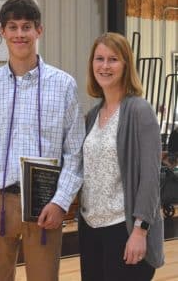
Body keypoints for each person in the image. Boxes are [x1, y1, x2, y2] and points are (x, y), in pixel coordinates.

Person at [0, 0, 85, 281]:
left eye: (27, 27)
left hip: (44, 203)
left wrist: (61, 201)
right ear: (2, 32)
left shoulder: (64, 84)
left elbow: (75, 153)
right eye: (13, 27)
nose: (20, 34)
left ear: (39, 31)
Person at [78, 32, 164, 281]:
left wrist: (140, 230)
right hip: (91, 229)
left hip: (124, 230)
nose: (104, 66)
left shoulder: (139, 111)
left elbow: (150, 178)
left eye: (113, 59)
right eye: (99, 59)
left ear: (126, 65)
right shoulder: (93, 115)